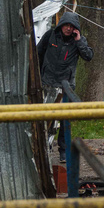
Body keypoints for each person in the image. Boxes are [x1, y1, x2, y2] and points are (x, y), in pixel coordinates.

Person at [37, 12, 93, 162]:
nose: (68, 29)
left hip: (65, 87)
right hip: (47, 83)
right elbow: (38, 53)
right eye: (66, 25)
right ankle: (44, 148)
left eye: (72, 26)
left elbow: (88, 56)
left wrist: (79, 40)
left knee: (63, 120)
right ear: (61, 24)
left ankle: (63, 151)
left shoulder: (78, 41)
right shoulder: (50, 36)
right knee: (46, 118)